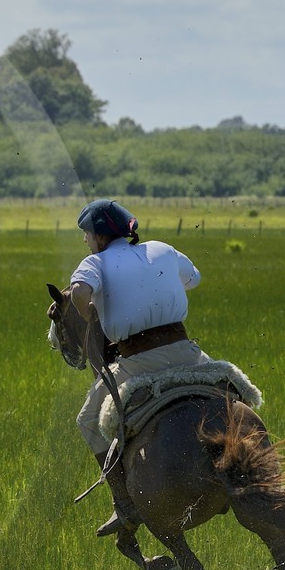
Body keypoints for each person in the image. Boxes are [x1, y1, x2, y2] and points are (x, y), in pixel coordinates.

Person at [64, 198, 209, 536]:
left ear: (99, 236)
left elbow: (78, 293)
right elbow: (194, 279)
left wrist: (92, 313)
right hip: (186, 352)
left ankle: (125, 503)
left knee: (86, 420)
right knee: (234, 389)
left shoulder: (93, 263)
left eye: (87, 234)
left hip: (138, 361)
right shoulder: (163, 249)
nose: (85, 240)